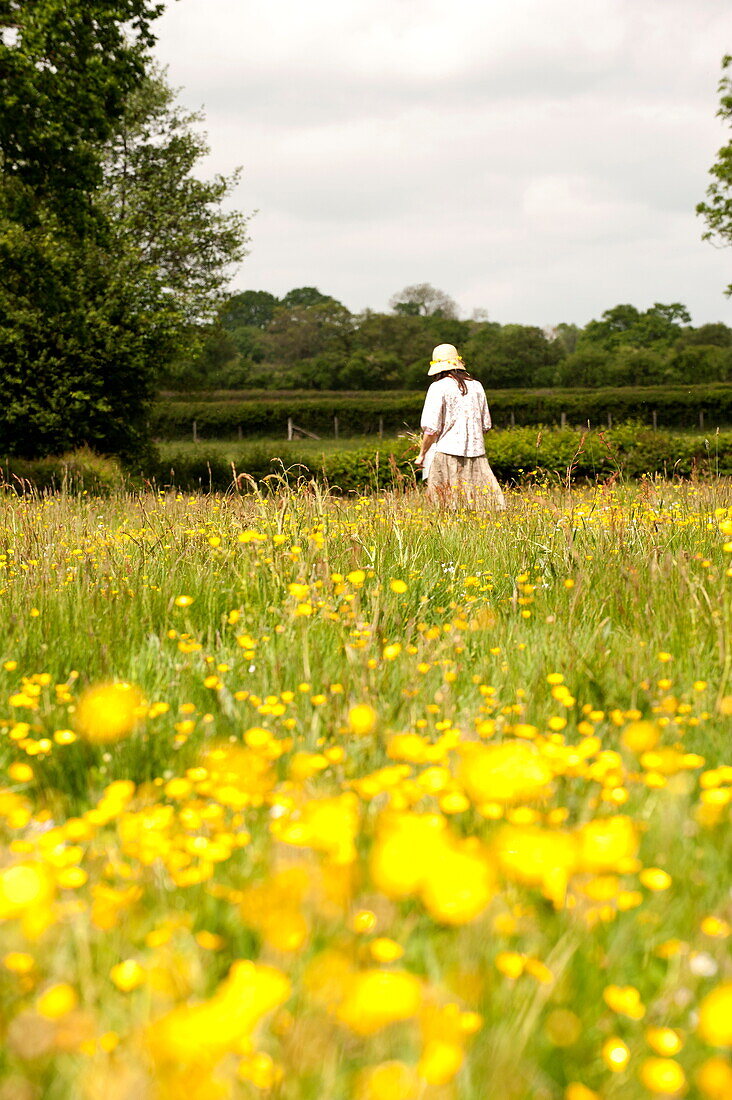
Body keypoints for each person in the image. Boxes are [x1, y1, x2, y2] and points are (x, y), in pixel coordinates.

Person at [415, 343, 505, 509]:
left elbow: (431, 429)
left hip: (447, 455)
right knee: (482, 505)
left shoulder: (437, 387)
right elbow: (486, 424)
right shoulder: (477, 386)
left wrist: (422, 454)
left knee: (446, 506)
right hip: (477, 454)